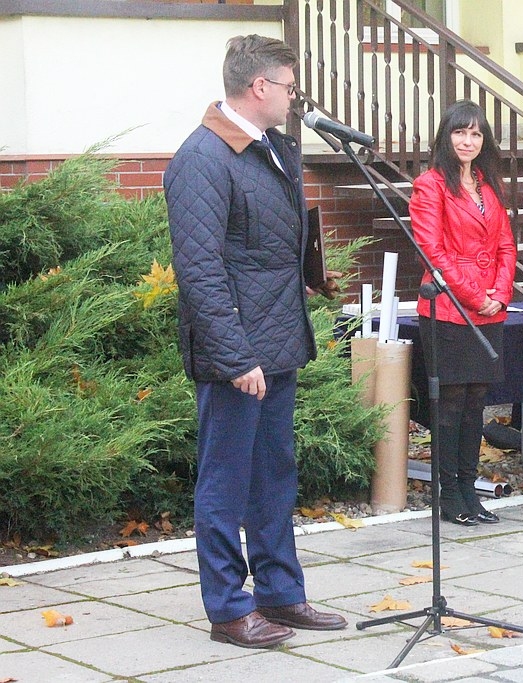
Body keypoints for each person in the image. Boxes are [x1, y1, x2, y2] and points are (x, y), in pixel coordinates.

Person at [165, 34, 347, 649]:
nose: (295, 98)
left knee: (274, 474)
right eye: (289, 86)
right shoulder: (203, 158)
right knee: (226, 480)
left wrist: (313, 274)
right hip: (237, 352)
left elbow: (268, 243)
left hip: (278, 336)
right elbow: (200, 269)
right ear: (259, 87)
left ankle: (280, 592)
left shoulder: (271, 148)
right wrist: (235, 356)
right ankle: (227, 606)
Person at [409, 100, 517, 526]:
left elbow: (507, 245)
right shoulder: (430, 185)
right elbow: (432, 252)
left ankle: (470, 492)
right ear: (445, 137)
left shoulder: (488, 185)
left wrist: (501, 293)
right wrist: (476, 296)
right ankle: (448, 493)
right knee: (451, 404)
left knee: (477, 404)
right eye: (459, 132)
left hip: (490, 307)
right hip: (449, 310)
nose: (468, 141)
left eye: (475, 134)